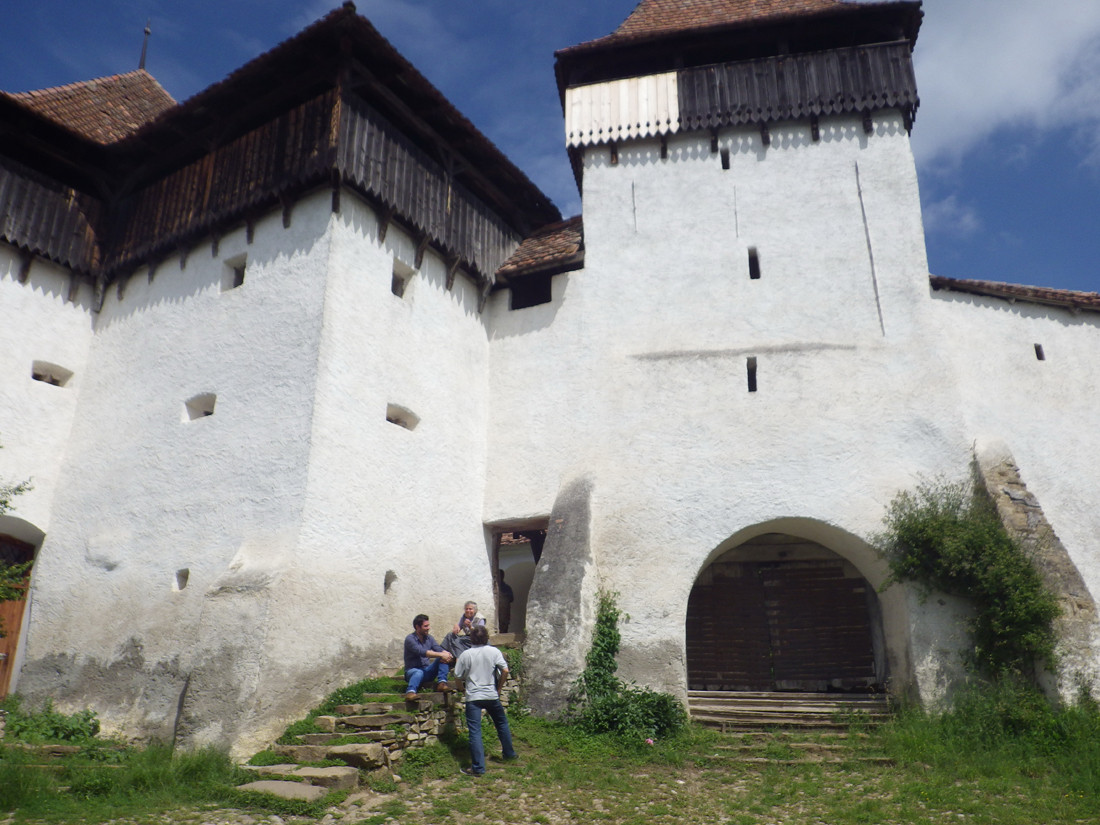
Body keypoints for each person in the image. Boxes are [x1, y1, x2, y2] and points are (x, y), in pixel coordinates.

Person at [454, 624, 517, 776]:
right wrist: (499, 688)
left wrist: (462, 689)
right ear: (486, 637)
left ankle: (478, 768)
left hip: (473, 697)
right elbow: (505, 670)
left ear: (471, 639)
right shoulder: (494, 651)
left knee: (475, 731)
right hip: (491, 695)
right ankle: (509, 754)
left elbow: (457, 676)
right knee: (501, 723)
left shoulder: (466, 654)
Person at [403, 614, 454, 700]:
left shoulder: (429, 638)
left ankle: (442, 683)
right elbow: (422, 652)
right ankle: (410, 692)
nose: (428, 628)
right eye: (425, 626)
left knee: (443, 658)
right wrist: (441, 654)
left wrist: (447, 654)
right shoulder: (410, 639)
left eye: (428, 625)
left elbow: (438, 648)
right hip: (412, 672)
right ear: (417, 627)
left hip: (426, 670)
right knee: (418, 672)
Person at [497, 569, 514, 633]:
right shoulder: (494, 587)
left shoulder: (507, 587)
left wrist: (504, 597)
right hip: (497, 610)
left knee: (504, 623)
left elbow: (511, 599)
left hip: (504, 610)